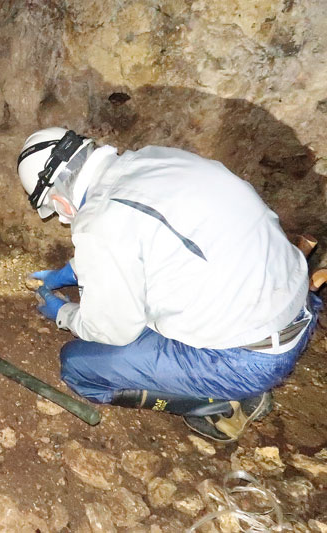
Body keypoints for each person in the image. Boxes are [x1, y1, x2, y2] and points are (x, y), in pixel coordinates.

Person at [17, 127, 322, 442]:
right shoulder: (155, 158)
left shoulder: (100, 221)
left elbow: (112, 329)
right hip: (295, 303)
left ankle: (223, 404)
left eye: (59, 213)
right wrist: (72, 271)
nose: (64, 219)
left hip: (249, 357)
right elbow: (148, 238)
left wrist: (63, 313)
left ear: (60, 201)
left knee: (79, 366)